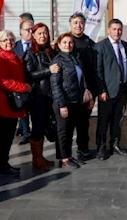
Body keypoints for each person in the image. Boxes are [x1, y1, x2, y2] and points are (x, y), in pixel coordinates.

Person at [0, 30, 32, 176]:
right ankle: (1, 165)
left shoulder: (15, 57)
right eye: (5, 40)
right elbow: (4, 81)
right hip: (2, 103)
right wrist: (24, 87)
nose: (9, 42)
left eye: (11, 39)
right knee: (2, 138)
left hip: (12, 104)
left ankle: (4, 163)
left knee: (8, 137)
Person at [50, 33, 90, 168]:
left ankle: (69, 155)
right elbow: (55, 85)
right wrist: (62, 105)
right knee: (63, 131)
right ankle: (64, 158)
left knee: (69, 130)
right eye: (65, 42)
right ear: (59, 45)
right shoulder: (57, 61)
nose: (68, 45)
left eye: (70, 42)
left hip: (75, 101)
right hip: (64, 102)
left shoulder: (75, 58)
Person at [23, 23, 60, 170]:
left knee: (46, 126)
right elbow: (29, 75)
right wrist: (48, 71)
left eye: (45, 33)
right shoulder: (30, 53)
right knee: (37, 127)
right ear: (33, 35)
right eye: (39, 33)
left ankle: (41, 156)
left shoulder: (52, 52)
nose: (42, 36)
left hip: (52, 95)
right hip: (38, 96)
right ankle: (36, 158)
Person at [95, 19, 127, 159]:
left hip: (122, 89)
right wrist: (101, 90)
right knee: (104, 120)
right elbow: (98, 71)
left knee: (118, 120)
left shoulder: (125, 46)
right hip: (108, 90)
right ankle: (101, 147)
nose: (117, 32)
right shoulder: (101, 46)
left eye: (119, 29)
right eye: (114, 29)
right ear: (109, 30)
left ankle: (115, 145)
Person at [69, 12, 98, 160]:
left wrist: (93, 92)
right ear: (70, 25)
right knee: (68, 124)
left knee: (83, 122)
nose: (78, 25)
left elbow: (94, 70)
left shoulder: (90, 44)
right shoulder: (65, 41)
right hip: (70, 90)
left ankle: (83, 149)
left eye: (81, 23)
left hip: (87, 91)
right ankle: (65, 153)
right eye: (75, 23)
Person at [14, 19, 34, 143]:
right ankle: (25, 133)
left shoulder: (37, 45)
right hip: (20, 84)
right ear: (21, 31)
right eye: (27, 30)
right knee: (23, 111)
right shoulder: (15, 46)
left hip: (35, 83)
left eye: (33, 29)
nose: (30, 32)